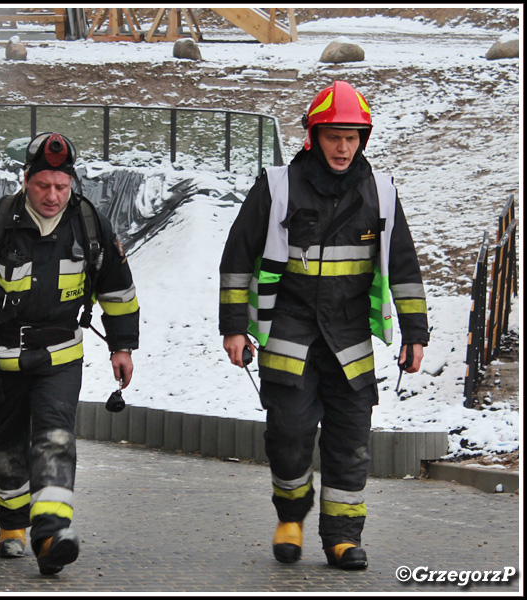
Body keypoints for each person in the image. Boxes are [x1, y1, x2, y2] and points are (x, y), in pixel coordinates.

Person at [218, 81, 429, 570]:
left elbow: (404, 267)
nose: (343, 147)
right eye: (334, 136)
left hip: (349, 337)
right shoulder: (276, 187)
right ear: (313, 135)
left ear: (363, 140)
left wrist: (415, 333)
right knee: (289, 434)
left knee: (351, 441)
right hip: (289, 333)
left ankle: (342, 538)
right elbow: (237, 260)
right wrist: (234, 327)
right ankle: (290, 516)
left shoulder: (380, 193)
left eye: (352, 137)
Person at [0, 131, 139, 575]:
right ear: (26, 180)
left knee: (55, 438)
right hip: (1, 360)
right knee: (7, 451)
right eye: (43, 186)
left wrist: (122, 346)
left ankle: (52, 532)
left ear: (71, 184)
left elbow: (118, 292)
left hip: (60, 358)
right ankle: (12, 525)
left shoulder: (90, 225)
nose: (53, 196)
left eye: (61, 186)